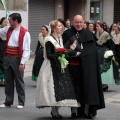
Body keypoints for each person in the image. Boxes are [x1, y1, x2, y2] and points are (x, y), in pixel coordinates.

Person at [62, 15, 105, 119]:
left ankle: (87, 111)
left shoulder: (89, 34)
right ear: (73, 22)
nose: (79, 24)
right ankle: (74, 111)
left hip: (87, 68)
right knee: (74, 90)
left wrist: (83, 55)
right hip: (73, 68)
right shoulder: (67, 33)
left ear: (84, 23)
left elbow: (92, 52)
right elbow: (63, 50)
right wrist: (74, 53)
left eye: (81, 22)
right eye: (77, 22)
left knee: (88, 89)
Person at [36, 20, 79, 119]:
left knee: (59, 89)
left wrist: (70, 49)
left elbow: (62, 52)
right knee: (52, 88)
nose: (61, 28)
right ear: (54, 28)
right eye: (59, 26)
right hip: (51, 66)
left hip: (60, 65)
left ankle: (56, 111)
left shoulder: (59, 38)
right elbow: (49, 55)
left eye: (61, 26)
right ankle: (54, 111)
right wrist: (60, 53)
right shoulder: (48, 39)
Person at [0, 13, 31, 109]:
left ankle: (21, 102)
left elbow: (26, 49)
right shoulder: (8, 29)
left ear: (16, 21)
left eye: (10, 20)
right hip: (7, 57)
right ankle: (8, 101)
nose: (9, 22)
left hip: (17, 58)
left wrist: (22, 62)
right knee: (8, 80)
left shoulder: (25, 32)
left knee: (19, 80)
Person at [96, 22, 116, 90]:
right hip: (98, 50)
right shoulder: (97, 34)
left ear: (101, 27)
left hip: (104, 51)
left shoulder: (106, 34)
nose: (96, 28)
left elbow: (111, 45)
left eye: (98, 26)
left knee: (103, 67)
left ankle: (104, 84)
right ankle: (99, 83)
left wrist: (112, 54)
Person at [0, 17, 8, 86]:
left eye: (7, 22)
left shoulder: (8, 30)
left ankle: (6, 79)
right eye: (4, 21)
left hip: (6, 48)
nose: (6, 23)